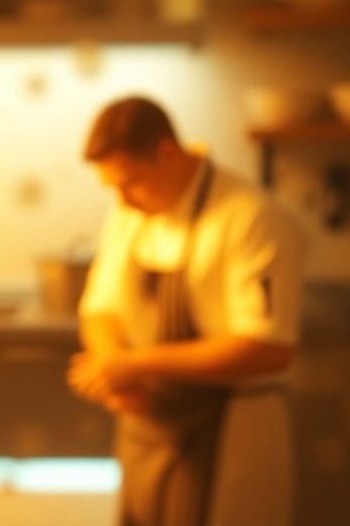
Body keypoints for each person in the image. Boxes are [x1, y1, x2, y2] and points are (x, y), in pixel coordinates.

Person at [67, 95, 305, 526]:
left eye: (132, 181)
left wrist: (132, 363)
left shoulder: (251, 216)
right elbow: (101, 309)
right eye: (113, 187)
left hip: (231, 430)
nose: (121, 201)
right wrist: (112, 373)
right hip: (147, 429)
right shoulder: (130, 215)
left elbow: (269, 348)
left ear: (168, 153)